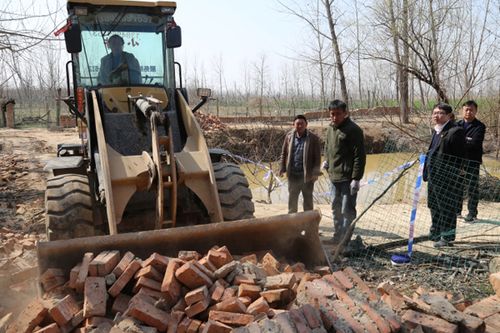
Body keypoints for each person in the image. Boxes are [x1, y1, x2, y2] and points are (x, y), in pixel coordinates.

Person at [323, 100, 366, 247]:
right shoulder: (330, 129)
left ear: (345, 113)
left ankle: (345, 241)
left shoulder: (353, 130)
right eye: (332, 114)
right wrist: (326, 161)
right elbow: (327, 147)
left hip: (347, 178)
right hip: (334, 176)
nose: (335, 117)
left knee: (347, 210)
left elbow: (359, 156)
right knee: (336, 209)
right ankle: (337, 236)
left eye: (338, 114)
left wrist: (356, 178)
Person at [423, 102, 465, 248]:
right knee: (433, 205)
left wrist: (455, 175)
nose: (436, 115)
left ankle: (447, 237)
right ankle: (436, 231)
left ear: (449, 116)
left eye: (440, 113)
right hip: (434, 176)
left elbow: (460, 157)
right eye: (435, 113)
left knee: (446, 207)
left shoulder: (455, 131)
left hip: (447, 177)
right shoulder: (436, 130)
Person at [279, 114, 321, 214]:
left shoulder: (313, 138)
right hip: (293, 175)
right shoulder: (289, 137)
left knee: (308, 201)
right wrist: (281, 168)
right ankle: (293, 221)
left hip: (307, 176)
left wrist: (315, 173)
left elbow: (317, 158)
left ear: (306, 124)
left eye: (302, 124)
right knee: (292, 200)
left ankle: (308, 221)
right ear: (294, 125)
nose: (300, 126)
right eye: (297, 124)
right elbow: (284, 153)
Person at [456, 100, 486, 222]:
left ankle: (472, 213)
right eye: (466, 109)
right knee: (457, 186)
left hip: (472, 161)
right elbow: (452, 142)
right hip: (457, 161)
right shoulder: (456, 124)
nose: (468, 112)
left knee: (472, 188)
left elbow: (474, 144)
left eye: (471, 110)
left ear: (475, 111)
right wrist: (466, 140)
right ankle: (457, 211)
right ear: (462, 111)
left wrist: (460, 141)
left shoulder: (480, 126)